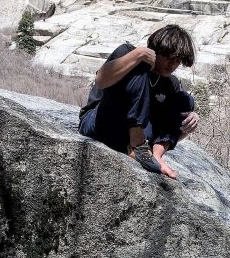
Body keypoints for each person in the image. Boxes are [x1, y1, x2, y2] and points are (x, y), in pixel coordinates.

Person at [77, 24, 200, 180]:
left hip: (135, 137)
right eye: (169, 58)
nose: (173, 64)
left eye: (178, 60)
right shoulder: (129, 54)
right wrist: (139, 54)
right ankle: (137, 141)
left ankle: (155, 155)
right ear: (157, 50)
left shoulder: (170, 83)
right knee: (140, 70)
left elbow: (168, 129)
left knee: (185, 100)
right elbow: (100, 81)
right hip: (101, 122)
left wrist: (188, 124)